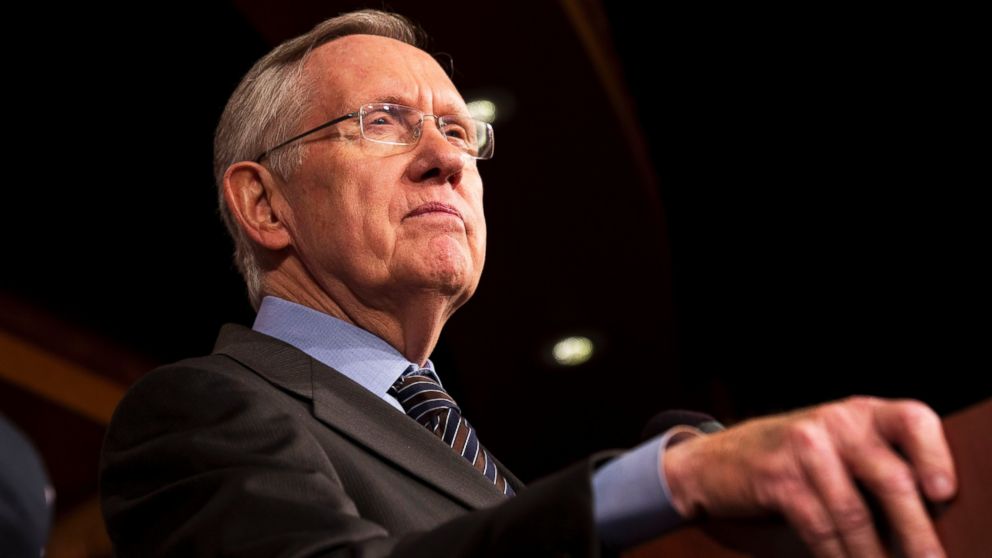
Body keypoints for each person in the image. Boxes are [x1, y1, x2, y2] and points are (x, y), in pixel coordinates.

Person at [99, 9, 957, 557]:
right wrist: (670, 479)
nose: (445, 159)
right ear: (263, 203)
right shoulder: (195, 413)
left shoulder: (472, 454)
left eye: (457, 133)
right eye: (385, 123)